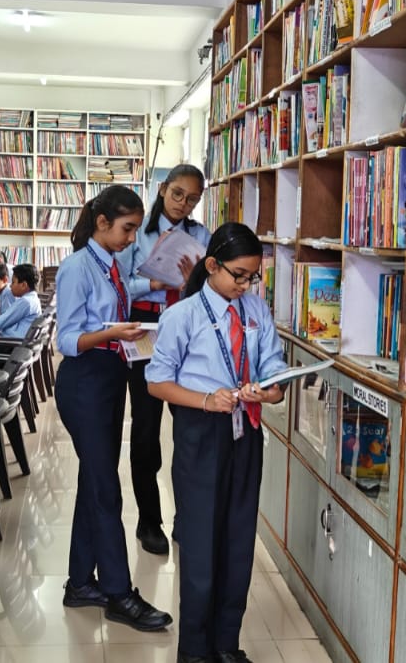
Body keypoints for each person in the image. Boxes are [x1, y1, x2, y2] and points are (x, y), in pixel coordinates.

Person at [146, 222, 287, 663]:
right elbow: (157, 382)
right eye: (238, 275)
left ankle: (227, 643)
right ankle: (195, 650)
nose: (245, 285)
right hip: (201, 432)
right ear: (212, 266)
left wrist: (270, 390)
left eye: (253, 277)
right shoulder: (182, 316)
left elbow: (275, 371)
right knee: (202, 541)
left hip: (247, 428)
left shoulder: (256, 312)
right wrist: (207, 400)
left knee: (239, 539)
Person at [54, 185, 171, 632]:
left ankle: (81, 582)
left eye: (135, 230)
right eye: (126, 229)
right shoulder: (77, 268)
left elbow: (125, 293)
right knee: (106, 488)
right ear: (102, 223)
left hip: (108, 379)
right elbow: (67, 340)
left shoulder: (112, 263)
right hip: (84, 382)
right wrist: (112, 333)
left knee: (94, 479)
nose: (130, 238)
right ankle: (119, 592)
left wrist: (130, 329)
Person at [120, 164, 211, 556]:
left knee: (190, 430)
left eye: (192, 199)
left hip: (187, 330)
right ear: (162, 189)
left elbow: (213, 290)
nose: (183, 204)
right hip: (146, 329)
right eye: (177, 194)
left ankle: (186, 519)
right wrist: (155, 282)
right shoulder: (136, 232)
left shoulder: (202, 236)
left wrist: (195, 282)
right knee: (145, 430)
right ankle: (148, 520)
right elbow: (120, 283)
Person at [0, 263, 41, 339]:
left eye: (13, 282)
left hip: (11, 345)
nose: (10, 286)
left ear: (23, 285)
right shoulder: (31, 299)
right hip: (15, 341)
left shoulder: (25, 302)